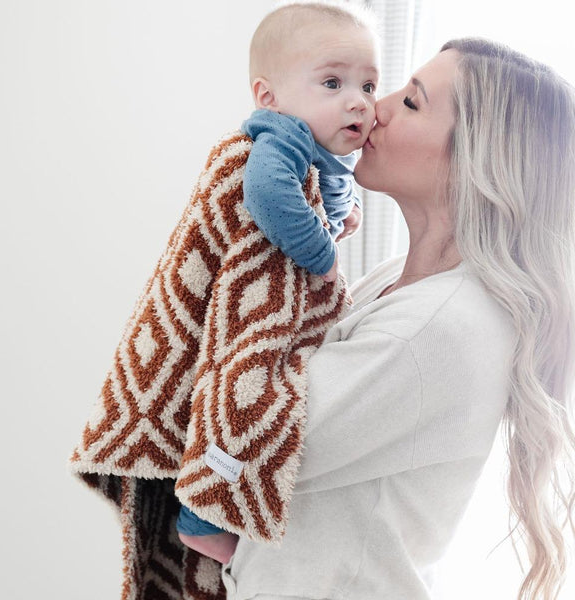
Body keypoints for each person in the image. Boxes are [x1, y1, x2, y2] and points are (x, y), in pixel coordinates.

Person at [221, 39, 575, 600]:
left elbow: (248, 445)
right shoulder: (402, 280)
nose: (374, 107)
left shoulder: (437, 327)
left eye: (411, 102)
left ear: (476, 157)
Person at [175, 1, 379, 562]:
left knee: (258, 405)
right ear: (269, 97)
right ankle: (199, 514)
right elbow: (267, 194)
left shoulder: (326, 153)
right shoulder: (280, 137)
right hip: (251, 315)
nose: (357, 99)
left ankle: (219, 506)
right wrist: (323, 255)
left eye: (368, 83)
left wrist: (345, 215)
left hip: (288, 317)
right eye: (333, 82)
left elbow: (329, 195)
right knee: (242, 398)